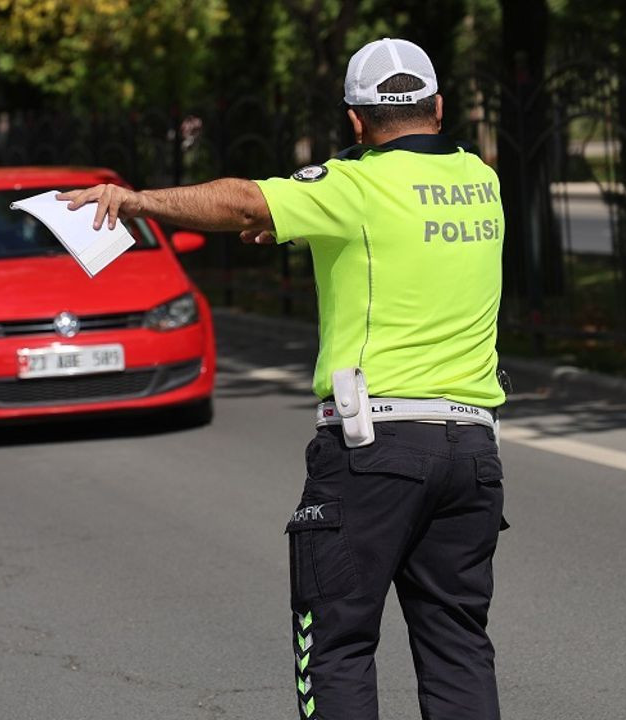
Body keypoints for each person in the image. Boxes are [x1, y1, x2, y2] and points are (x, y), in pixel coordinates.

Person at [59, 38, 507, 720]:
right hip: (472, 453)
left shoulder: (353, 186)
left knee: (336, 642)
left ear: (354, 120)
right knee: (457, 645)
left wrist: (135, 200)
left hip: (374, 450)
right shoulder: (483, 180)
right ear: (439, 107)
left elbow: (242, 202)